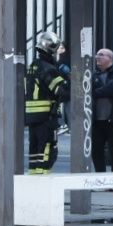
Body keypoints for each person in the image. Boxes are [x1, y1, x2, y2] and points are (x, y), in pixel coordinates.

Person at [25, 30, 70, 174]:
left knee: (35, 148)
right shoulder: (49, 69)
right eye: (59, 50)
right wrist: (69, 77)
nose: (60, 53)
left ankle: (34, 174)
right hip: (46, 116)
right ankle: (42, 175)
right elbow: (61, 91)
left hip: (33, 116)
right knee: (48, 147)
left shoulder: (34, 65)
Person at [91, 47, 113, 172]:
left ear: (110, 58)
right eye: (96, 54)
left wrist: (94, 92)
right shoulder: (93, 75)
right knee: (96, 150)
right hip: (96, 121)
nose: (97, 57)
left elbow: (111, 89)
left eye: (101, 55)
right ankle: (101, 178)